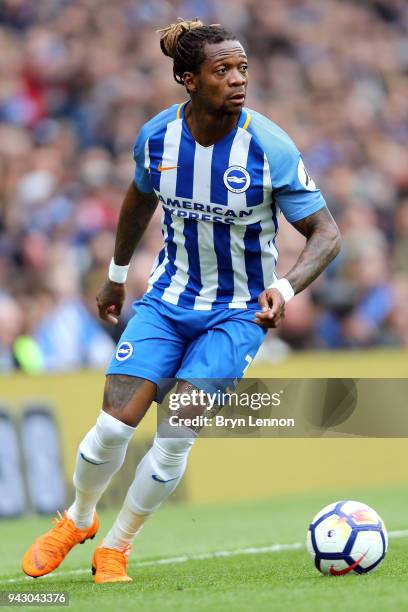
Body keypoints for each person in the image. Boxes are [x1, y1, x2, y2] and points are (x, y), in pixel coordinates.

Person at [22, 18, 341, 584]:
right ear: (187, 79)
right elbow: (138, 200)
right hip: (167, 301)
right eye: (223, 70)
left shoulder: (269, 146)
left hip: (239, 312)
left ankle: (117, 547)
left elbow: (326, 233)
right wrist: (116, 276)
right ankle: (78, 519)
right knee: (113, 429)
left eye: (243, 67)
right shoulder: (157, 137)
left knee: (174, 437)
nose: (238, 79)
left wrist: (285, 288)